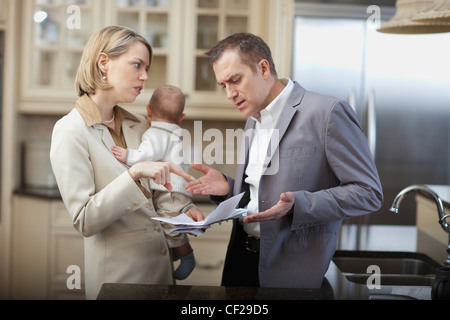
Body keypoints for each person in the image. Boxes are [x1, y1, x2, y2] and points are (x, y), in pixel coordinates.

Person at [185, 33, 383, 288]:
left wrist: (298, 204)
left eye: (235, 80)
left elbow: (369, 193)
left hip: (291, 270)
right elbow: (260, 195)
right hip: (240, 261)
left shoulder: (326, 112)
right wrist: (228, 187)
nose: (229, 94)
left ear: (263, 67)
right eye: (223, 85)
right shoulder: (253, 118)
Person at [50, 26, 203, 299]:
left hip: (162, 275)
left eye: (146, 68)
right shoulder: (70, 130)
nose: (144, 76)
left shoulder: (141, 124)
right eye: (137, 65)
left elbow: (161, 195)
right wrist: (132, 174)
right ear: (104, 62)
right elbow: (84, 220)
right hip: (119, 283)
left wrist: (185, 208)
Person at [111, 85, 197, 281]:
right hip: (177, 189)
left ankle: (187, 256)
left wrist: (128, 155)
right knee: (170, 220)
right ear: (181, 118)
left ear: (148, 110)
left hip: (169, 190)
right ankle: (175, 251)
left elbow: (147, 154)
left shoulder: (155, 133)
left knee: (170, 223)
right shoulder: (179, 133)